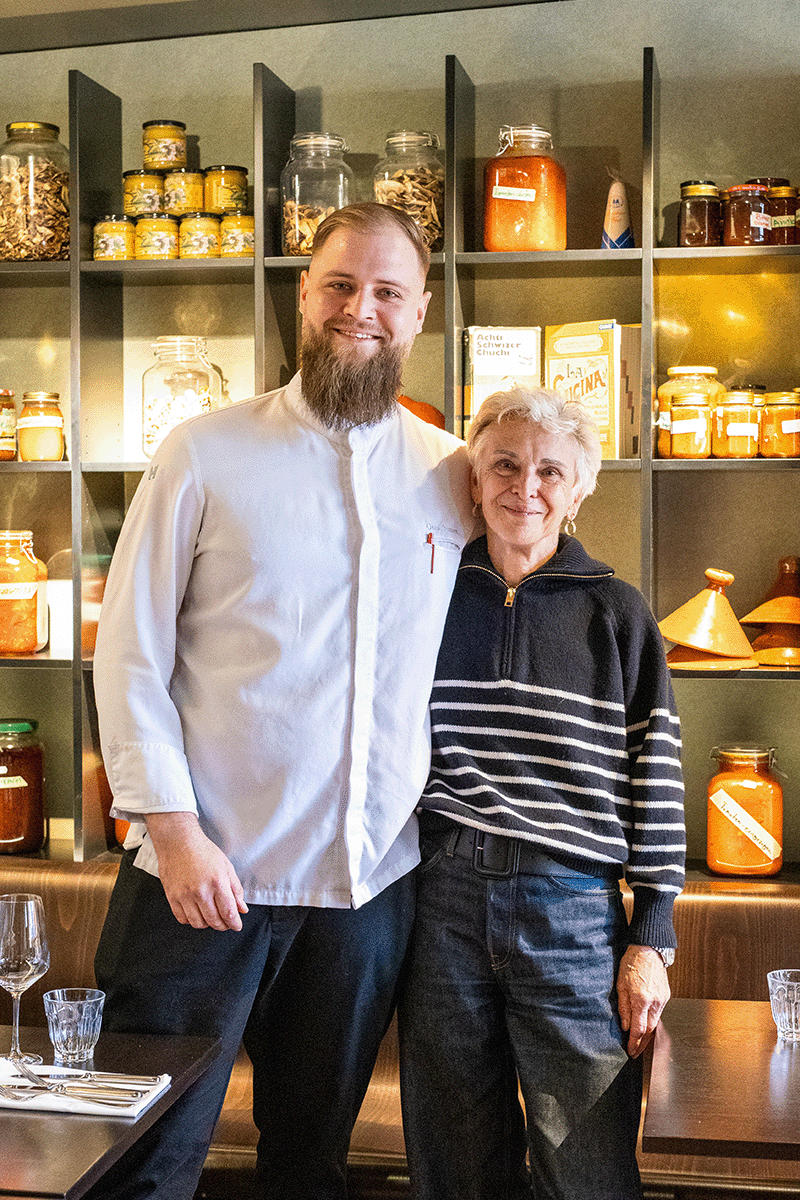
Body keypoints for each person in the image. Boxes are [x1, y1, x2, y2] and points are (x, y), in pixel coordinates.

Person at [87, 202, 475, 1200]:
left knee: (310, 1168)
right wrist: (172, 835)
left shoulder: (451, 480)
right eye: (340, 285)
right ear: (303, 294)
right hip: (200, 885)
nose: (361, 310)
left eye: (387, 291)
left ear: (419, 312)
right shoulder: (204, 451)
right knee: (143, 1166)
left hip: (363, 901)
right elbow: (128, 653)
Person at [399, 386, 686, 1200]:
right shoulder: (427, 598)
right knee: (453, 1165)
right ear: (475, 477)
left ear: (581, 488)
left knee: (585, 1169)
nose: (526, 485)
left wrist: (652, 934)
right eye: (505, 464)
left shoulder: (619, 614)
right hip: (442, 901)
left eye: (550, 470)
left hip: (574, 913)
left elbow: (656, 774)